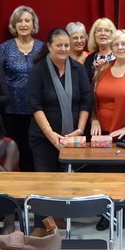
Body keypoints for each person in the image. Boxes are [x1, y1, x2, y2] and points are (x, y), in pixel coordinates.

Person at [28, 28, 93, 172]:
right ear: (49, 46)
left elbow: (86, 100)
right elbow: (35, 105)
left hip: (74, 138)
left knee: (73, 182)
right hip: (44, 139)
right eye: (59, 45)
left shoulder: (78, 69)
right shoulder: (38, 70)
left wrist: (80, 130)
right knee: (48, 181)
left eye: (66, 45)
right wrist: (51, 134)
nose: (63, 49)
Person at [0, 5, 44, 172]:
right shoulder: (4, 48)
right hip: (11, 109)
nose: (23, 24)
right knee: (13, 151)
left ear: (33, 24)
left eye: (27, 21)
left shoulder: (43, 47)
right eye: (19, 21)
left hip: (36, 109)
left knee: (33, 151)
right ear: (14, 25)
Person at [84, 17, 117, 81]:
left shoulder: (119, 56)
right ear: (94, 35)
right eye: (99, 30)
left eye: (107, 30)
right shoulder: (89, 59)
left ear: (112, 34)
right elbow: (85, 84)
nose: (103, 33)